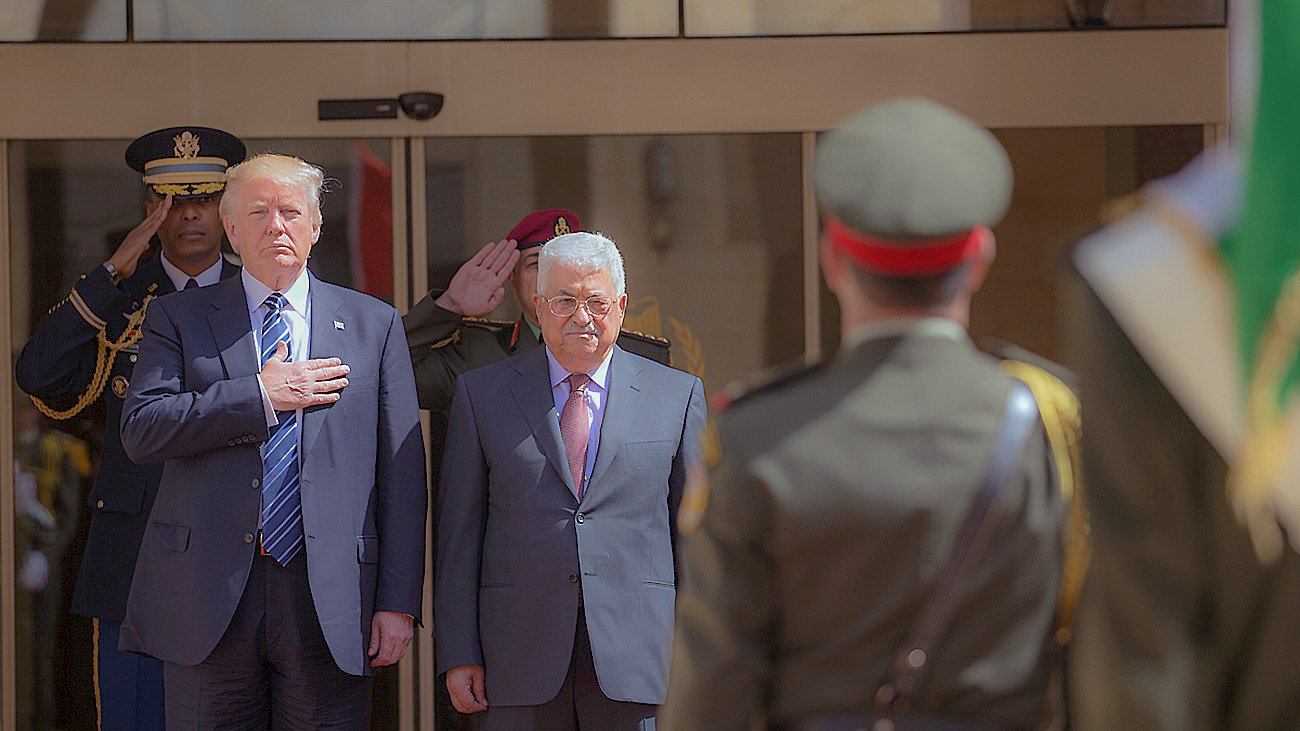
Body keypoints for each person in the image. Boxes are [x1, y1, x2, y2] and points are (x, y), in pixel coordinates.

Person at [659, 98, 1065, 730]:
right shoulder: (1053, 428)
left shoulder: (754, 434)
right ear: (980, 259)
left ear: (832, 259)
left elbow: (715, 691)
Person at [117, 153, 427, 727]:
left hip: (330, 594)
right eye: (258, 213)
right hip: (208, 594)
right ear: (232, 231)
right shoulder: (177, 317)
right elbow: (143, 430)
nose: (276, 226)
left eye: (290, 212)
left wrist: (398, 601)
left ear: (316, 227)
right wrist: (260, 394)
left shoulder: (374, 324)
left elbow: (402, 478)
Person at [15, 125, 244, 730]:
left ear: (225, 208)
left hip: (234, 549)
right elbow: (39, 374)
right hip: (135, 553)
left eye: (204, 199)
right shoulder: (117, 297)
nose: (189, 214)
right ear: (150, 209)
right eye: (172, 200)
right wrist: (111, 273)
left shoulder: (262, 296)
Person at [435, 231, 706, 729]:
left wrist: (704, 652)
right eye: (564, 301)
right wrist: (458, 651)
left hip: (641, 656)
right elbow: (460, 534)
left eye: (596, 302)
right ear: (538, 307)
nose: (582, 316)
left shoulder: (677, 396)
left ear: (621, 307)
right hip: (517, 653)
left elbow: (694, 537)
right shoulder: (483, 394)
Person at [404, 208, 672, 414]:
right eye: (538, 264)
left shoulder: (641, 357)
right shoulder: (477, 354)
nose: (551, 278)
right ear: (512, 278)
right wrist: (449, 306)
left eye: (565, 266)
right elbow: (388, 373)